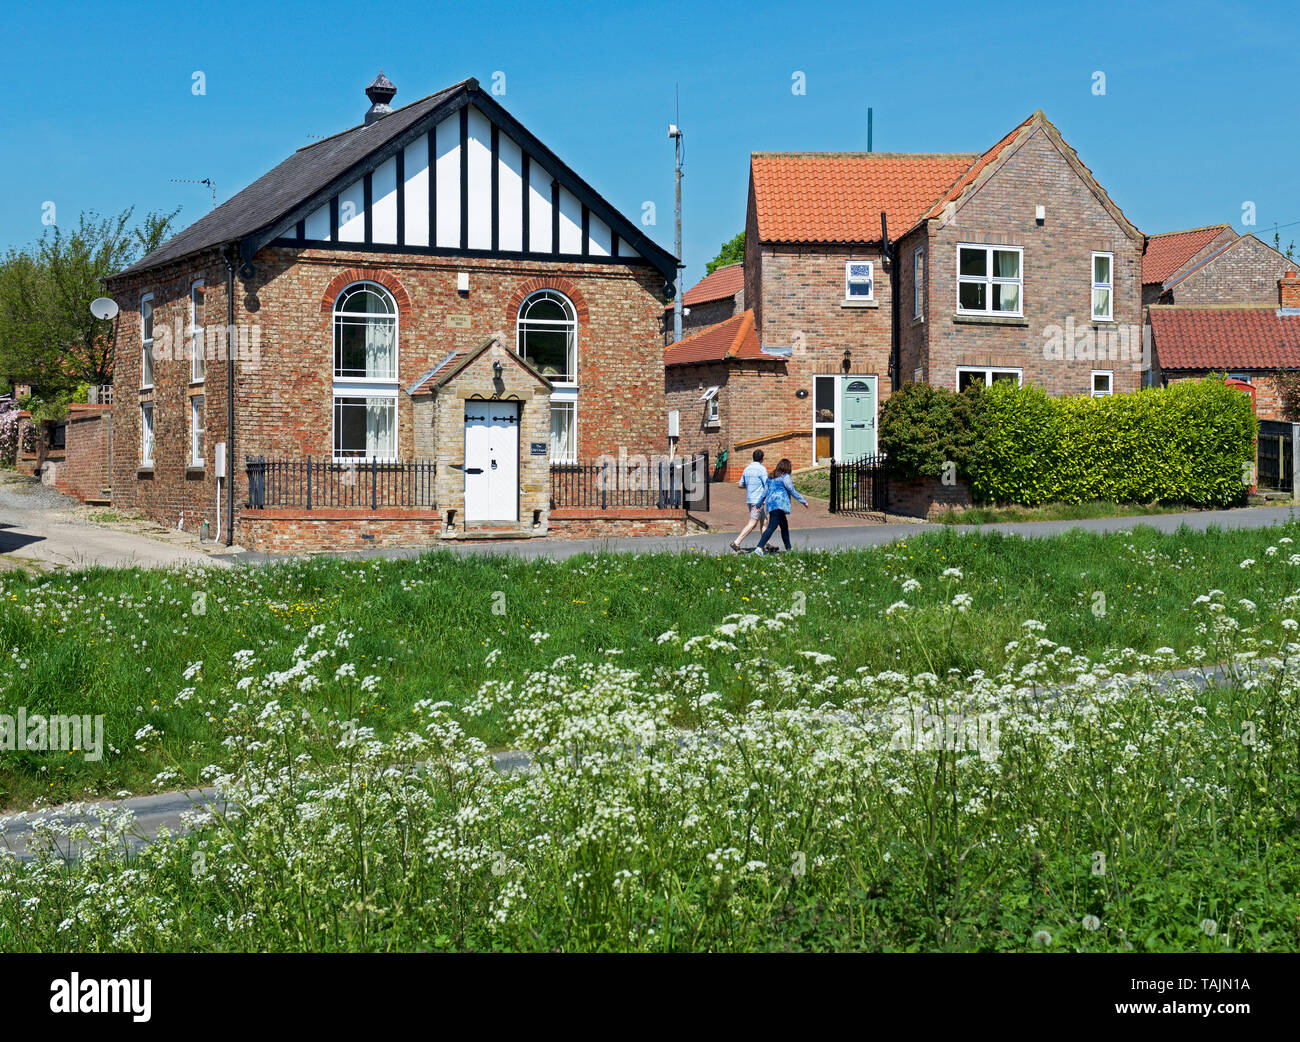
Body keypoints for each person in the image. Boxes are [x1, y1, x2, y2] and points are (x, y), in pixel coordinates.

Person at [754, 457, 808, 555]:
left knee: (784, 527)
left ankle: (789, 549)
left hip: (771, 505)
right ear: (787, 468)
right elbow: (791, 490)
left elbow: (764, 493)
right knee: (771, 527)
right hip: (780, 504)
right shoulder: (785, 477)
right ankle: (759, 548)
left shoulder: (770, 477)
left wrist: (759, 504)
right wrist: (803, 501)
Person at [731, 449, 769, 552]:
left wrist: (750, 486)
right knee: (753, 523)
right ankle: (737, 542)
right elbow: (767, 484)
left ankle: (766, 543)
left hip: (750, 499)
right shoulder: (762, 469)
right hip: (758, 501)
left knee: (764, 521)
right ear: (762, 458)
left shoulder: (747, 469)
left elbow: (740, 485)